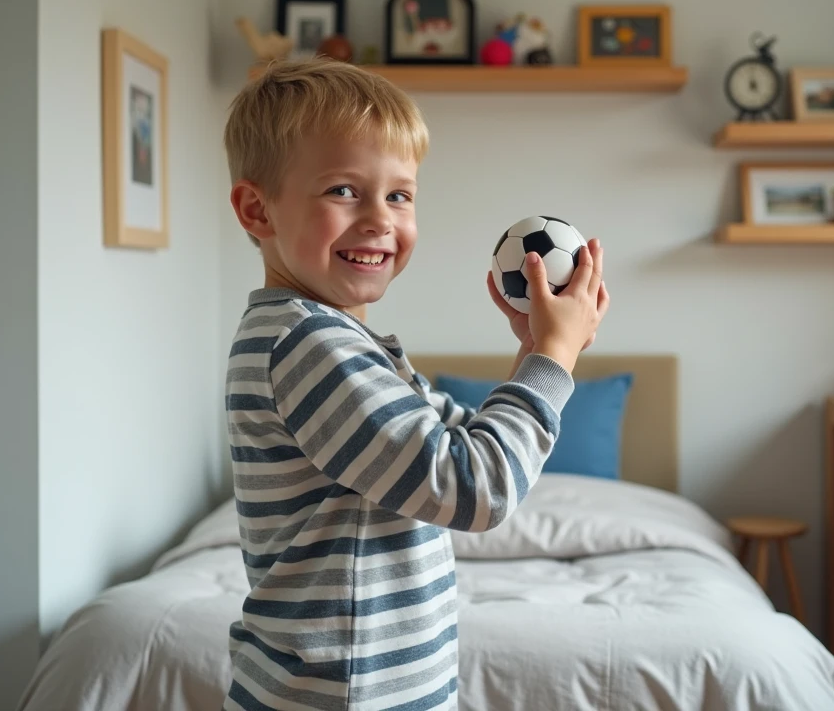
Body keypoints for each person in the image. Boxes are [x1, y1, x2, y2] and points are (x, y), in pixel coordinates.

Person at [221, 58, 609, 711]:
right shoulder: (307, 346)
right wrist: (553, 358)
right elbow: (475, 488)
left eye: (399, 196)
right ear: (258, 210)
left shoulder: (336, 342)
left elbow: (461, 441)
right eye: (343, 190)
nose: (380, 219)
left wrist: (532, 351)